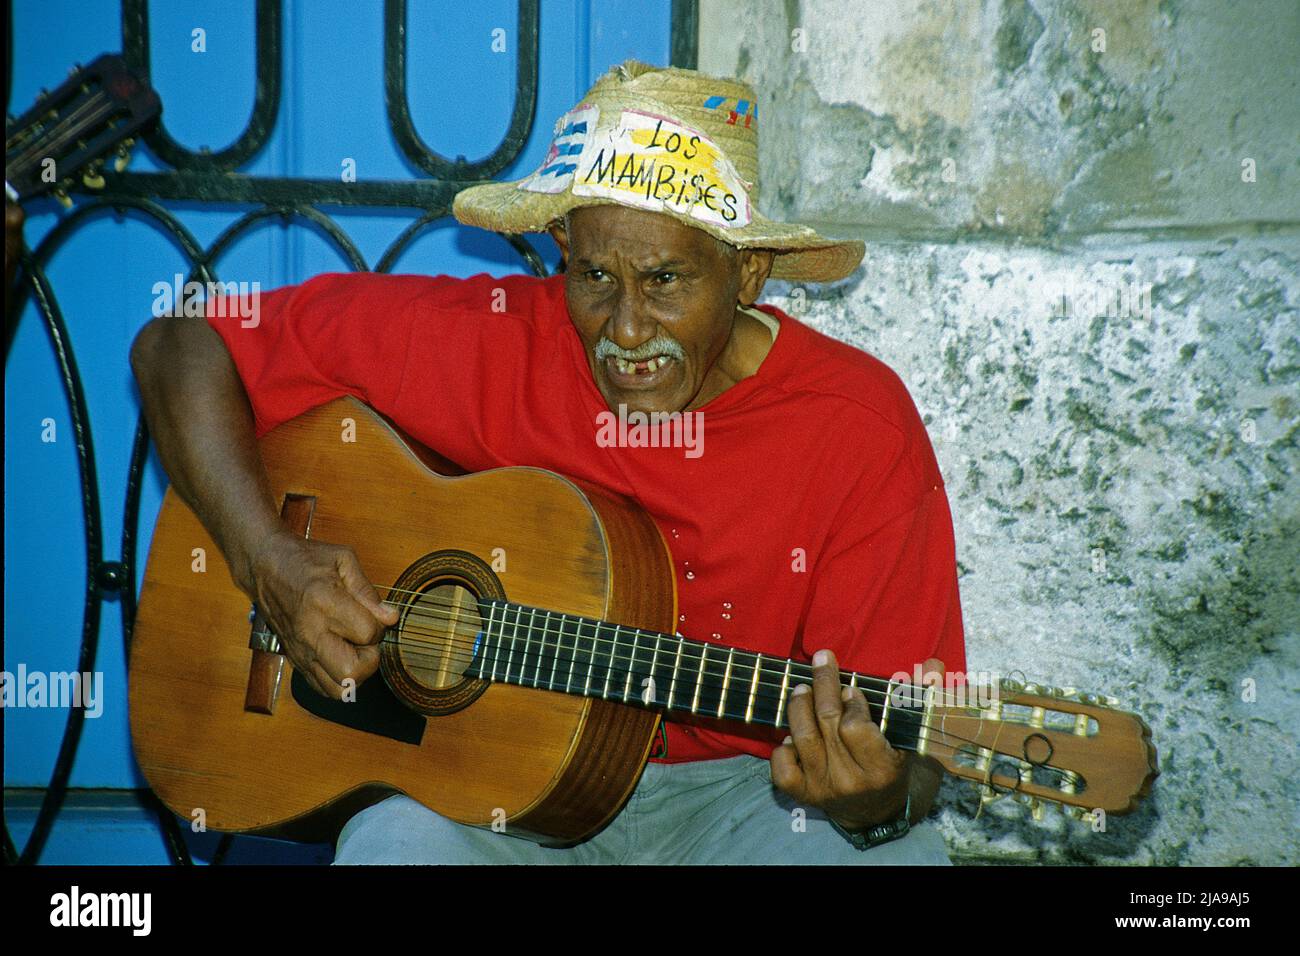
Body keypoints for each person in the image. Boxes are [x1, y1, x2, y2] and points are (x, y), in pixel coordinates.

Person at [130, 61, 967, 864]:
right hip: (484, 798)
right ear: (563, 249)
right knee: (394, 848)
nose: (626, 328)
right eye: (594, 274)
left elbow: (914, 757)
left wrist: (872, 797)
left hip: (746, 800)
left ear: (746, 272)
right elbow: (181, 339)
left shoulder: (856, 427)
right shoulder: (491, 336)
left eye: (666, 279)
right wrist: (268, 559)